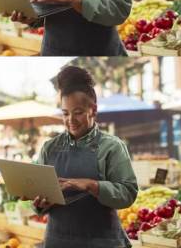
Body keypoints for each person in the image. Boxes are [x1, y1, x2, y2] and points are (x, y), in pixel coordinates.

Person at [33, 66, 138, 247]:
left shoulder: (111, 147)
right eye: (65, 113)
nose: (71, 120)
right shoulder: (49, 148)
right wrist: (39, 204)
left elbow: (128, 194)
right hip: (57, 241)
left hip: (101, 242)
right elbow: (39, 196)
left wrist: (93, 185)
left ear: (93, 110)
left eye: (78, 112)